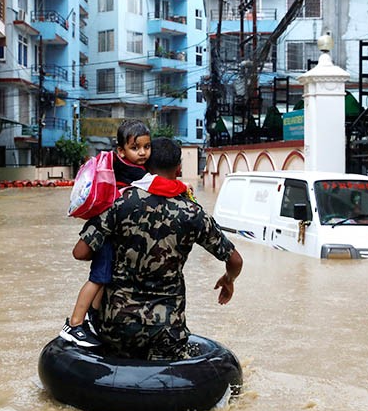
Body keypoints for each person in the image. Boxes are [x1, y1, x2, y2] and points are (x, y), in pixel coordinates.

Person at [72, 137, 243, 360]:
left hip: (116, 327)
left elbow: (81, 252)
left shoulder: (121, 202)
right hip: (167, 331)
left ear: (145, 167)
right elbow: (235, 260)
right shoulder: (193, 213)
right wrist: (228, 280)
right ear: (179, 168)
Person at [59, 119, 152, 347]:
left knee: (105, 277)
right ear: (121, 150)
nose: (142, 153)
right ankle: (74, 324)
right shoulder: (130, 170)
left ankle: (93, 317)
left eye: (147, 147)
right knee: (98, 278)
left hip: (109, 233)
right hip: (107, 234)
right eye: (135, 147)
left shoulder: (123, 164)